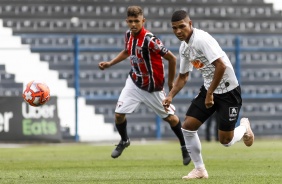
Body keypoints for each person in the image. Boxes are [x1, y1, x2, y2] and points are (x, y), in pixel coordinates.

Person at [162, 10, 254, 179]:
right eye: (174, 28)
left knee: (225, 141)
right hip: (209, 89)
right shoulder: (184, 47)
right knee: (187, 127)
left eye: (181, 26)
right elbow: (183, 76)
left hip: (228, 91)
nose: (178, 31)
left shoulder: (202, 40)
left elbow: (221, 66)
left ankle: (244, 128)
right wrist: (170, 95)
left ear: (190, 24)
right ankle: (200, 170)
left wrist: (209, 93)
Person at [98, 6, 191, 166]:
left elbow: (172, 58)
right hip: (134, 82)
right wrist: (110, 63)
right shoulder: (128, 35)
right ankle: (124, 140)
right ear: (127, 21)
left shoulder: (150, 39)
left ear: (143, 21)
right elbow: (128, 51)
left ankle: (184, 146)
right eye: (131, 21)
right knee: (119, 114)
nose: (133, 24)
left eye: (137, 21)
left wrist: (170, 82)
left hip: (153, 87)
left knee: (171, 118)